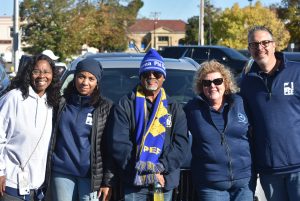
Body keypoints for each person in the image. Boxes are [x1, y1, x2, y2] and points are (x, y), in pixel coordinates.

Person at [108, 49, 189, 201]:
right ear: (141, 77)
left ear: (163, 77)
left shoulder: (174, 107)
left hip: (163, 181)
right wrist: (145, 171)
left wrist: (160, 167)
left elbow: (181, 144)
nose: (151, 77)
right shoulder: (125, 105)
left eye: (156, 74)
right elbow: (120, 144)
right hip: (134, 181)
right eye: (146, 74)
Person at [240, 25, 300, 201]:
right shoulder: (247, 83)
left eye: (265, 42)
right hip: (269, 169)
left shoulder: (296, 73)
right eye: (254, 44)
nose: (260, 48)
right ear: (249, 49)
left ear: (274, 45)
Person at [184, 60, 254, 201]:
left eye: (217, 81)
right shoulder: (191, 110)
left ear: (226, 83)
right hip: (211, 184)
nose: (212, 86)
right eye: (206, 83)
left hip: (244, 182)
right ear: (201, 86)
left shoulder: (240, 103)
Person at [49, 58, 114, 201]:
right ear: (75, 78)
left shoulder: (105, 108)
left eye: (91, 78)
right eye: (81, 76)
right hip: (61, 172)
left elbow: (110, 148)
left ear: (97, 82)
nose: (85, 82)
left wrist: (107, 182)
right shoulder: (61, 103)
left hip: (91, 177)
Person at [0, 54, 61, 201]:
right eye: (36, 71)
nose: (42, 76)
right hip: (11, 182)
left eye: (46, 72)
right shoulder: (13, 98)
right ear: (28, 74)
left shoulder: (52, 102)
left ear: (53, 75)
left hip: (38, 186)